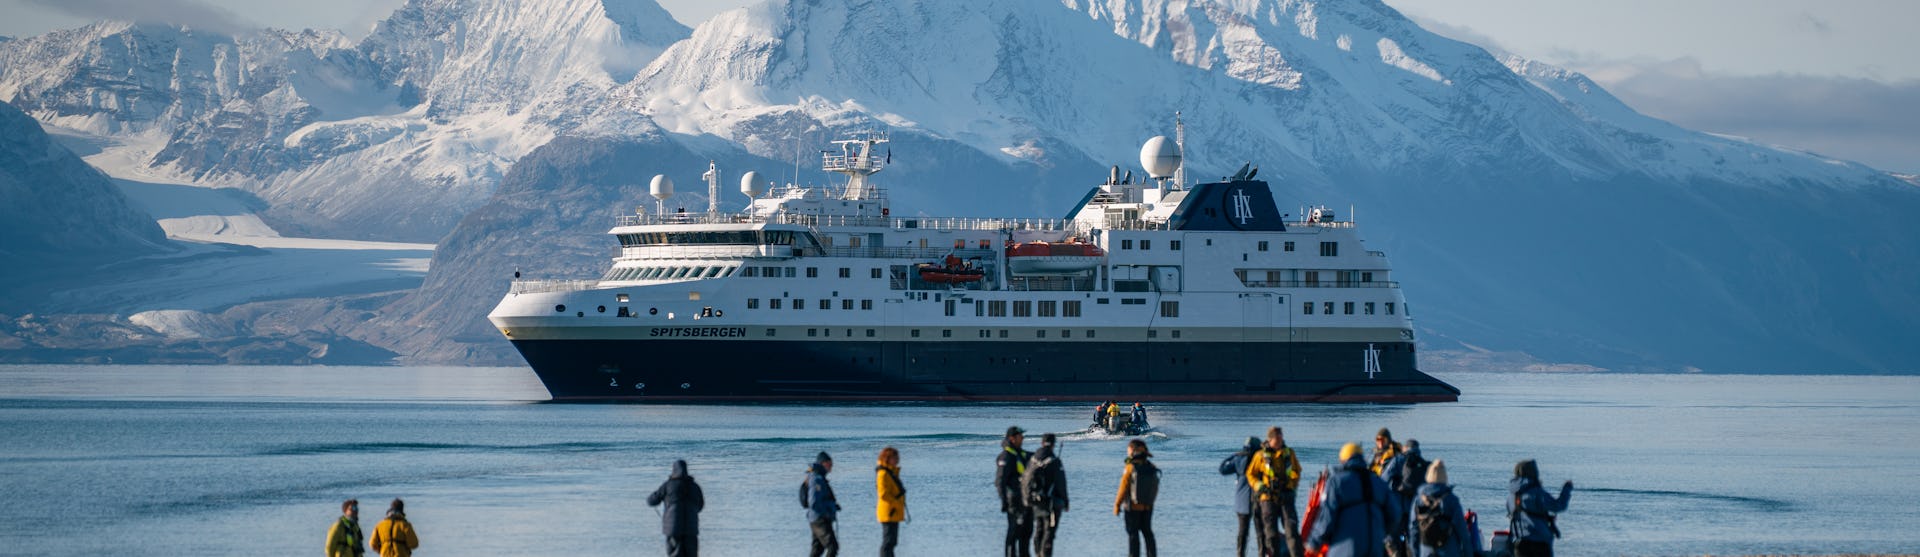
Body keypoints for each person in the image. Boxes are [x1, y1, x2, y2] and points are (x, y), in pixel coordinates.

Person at [1309, 443, 1401, 557]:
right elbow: (1395, 514)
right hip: (1374, 548)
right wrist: (1380, 533)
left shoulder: (1336, 482)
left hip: (1344, 549)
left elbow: (1327, 518)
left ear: (1343, 460)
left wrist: (1314, 542)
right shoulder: (1378, 482)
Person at [1247, 426, 1304, 557]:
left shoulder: (1289, 453)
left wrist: (1291, 486)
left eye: (1281, 438)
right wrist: (1259, 486)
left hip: (1286, 497)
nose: (1279, 442)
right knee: (1271, 534)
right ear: (1270, 439)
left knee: (1292, 532)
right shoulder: (1260, 455)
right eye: (1277, 439)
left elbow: (1297, 471)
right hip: (1268, 498)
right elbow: (1251, 474)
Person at [1507, 459, 1573, 557]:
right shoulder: (1537, 492)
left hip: (1519, 543)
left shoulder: (1511, 495)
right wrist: (1567, 489)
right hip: (1539, 543)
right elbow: (1559, 505)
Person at [1409, 461, 1472, 557]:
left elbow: (1413, 530)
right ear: (1445, 476)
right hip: (1449, 551)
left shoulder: (1418, 500)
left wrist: (1415, 553)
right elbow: (1462, 531)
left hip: (1426, 551)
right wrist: (1469, 553)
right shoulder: (1451, 500)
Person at [647, 460, 705, 557]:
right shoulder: (695, 487)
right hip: (691, 528)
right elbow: (700, 506)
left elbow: (651, 501)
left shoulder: (668, 485)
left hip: (673, 529)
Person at [1024, 433, 1070, 557]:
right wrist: (1066, 502)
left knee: (1038, 530)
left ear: (1042, 443)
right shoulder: (1055, 461)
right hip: (1051, 503)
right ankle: (1045, 554)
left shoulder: (1033, 460)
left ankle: (1038, 553)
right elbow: (1061, 484)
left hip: (1036, 502)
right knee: (1049, 532)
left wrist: (1027, 499)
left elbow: (1025, 480)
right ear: (1053, 444)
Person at [1113, 438, 1159, 557]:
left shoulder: (1130, 467)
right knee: (1148, 533)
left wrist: (1117, 505)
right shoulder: (1151, 466)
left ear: (1133, 450)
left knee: (1133, 534)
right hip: (1148, 507)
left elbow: (1123, 487)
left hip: (1132, 507)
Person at [1219, 436, 1263, 557]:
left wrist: (1232, 456)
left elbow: (1222, 469)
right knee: (1261, 532)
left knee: (1243, 533)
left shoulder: (1239, 460)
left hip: (1242, 502)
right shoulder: (1260, 461)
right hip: (1259, 501)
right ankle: (1262, 553)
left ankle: (1240, 554)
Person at [1383, 439, 1427, 557]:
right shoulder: (1423, 464)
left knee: (1392, 537)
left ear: (1405, 448)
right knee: (1413, 539)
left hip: (1397, 507)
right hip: (1415, 509)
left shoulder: (1398, 460)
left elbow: (1383, 480)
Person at [996, 426, 1034, 557]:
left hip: (1026, 501)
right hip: (1014, 502)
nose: (1023, 438)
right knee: (1013, 534)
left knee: (1026, 534)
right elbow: (1000, 481)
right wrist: (1004, 501)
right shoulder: (1005, 457)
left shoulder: (1022, 454)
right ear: (1012, 438)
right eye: (1020, 436)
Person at [805, 452, 841, 557]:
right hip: (819, 518)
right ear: (822, 463)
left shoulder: (818, 477)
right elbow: (814, 502)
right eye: (829, 464)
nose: (831, 468)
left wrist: (833, 506)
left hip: (816, 518)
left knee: (818, 549)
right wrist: (828, 509)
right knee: (832, 546)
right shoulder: (817, 479)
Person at [876, 447, 907, 557]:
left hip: (894, 511)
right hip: (889, 511)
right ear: (887, 458)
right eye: (895, 458)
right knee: (888, 542)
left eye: (897, 457)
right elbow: (883, 494)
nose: (897, 460)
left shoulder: (891, 472)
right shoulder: (883, 474)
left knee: (892, 542)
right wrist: (895, 502)